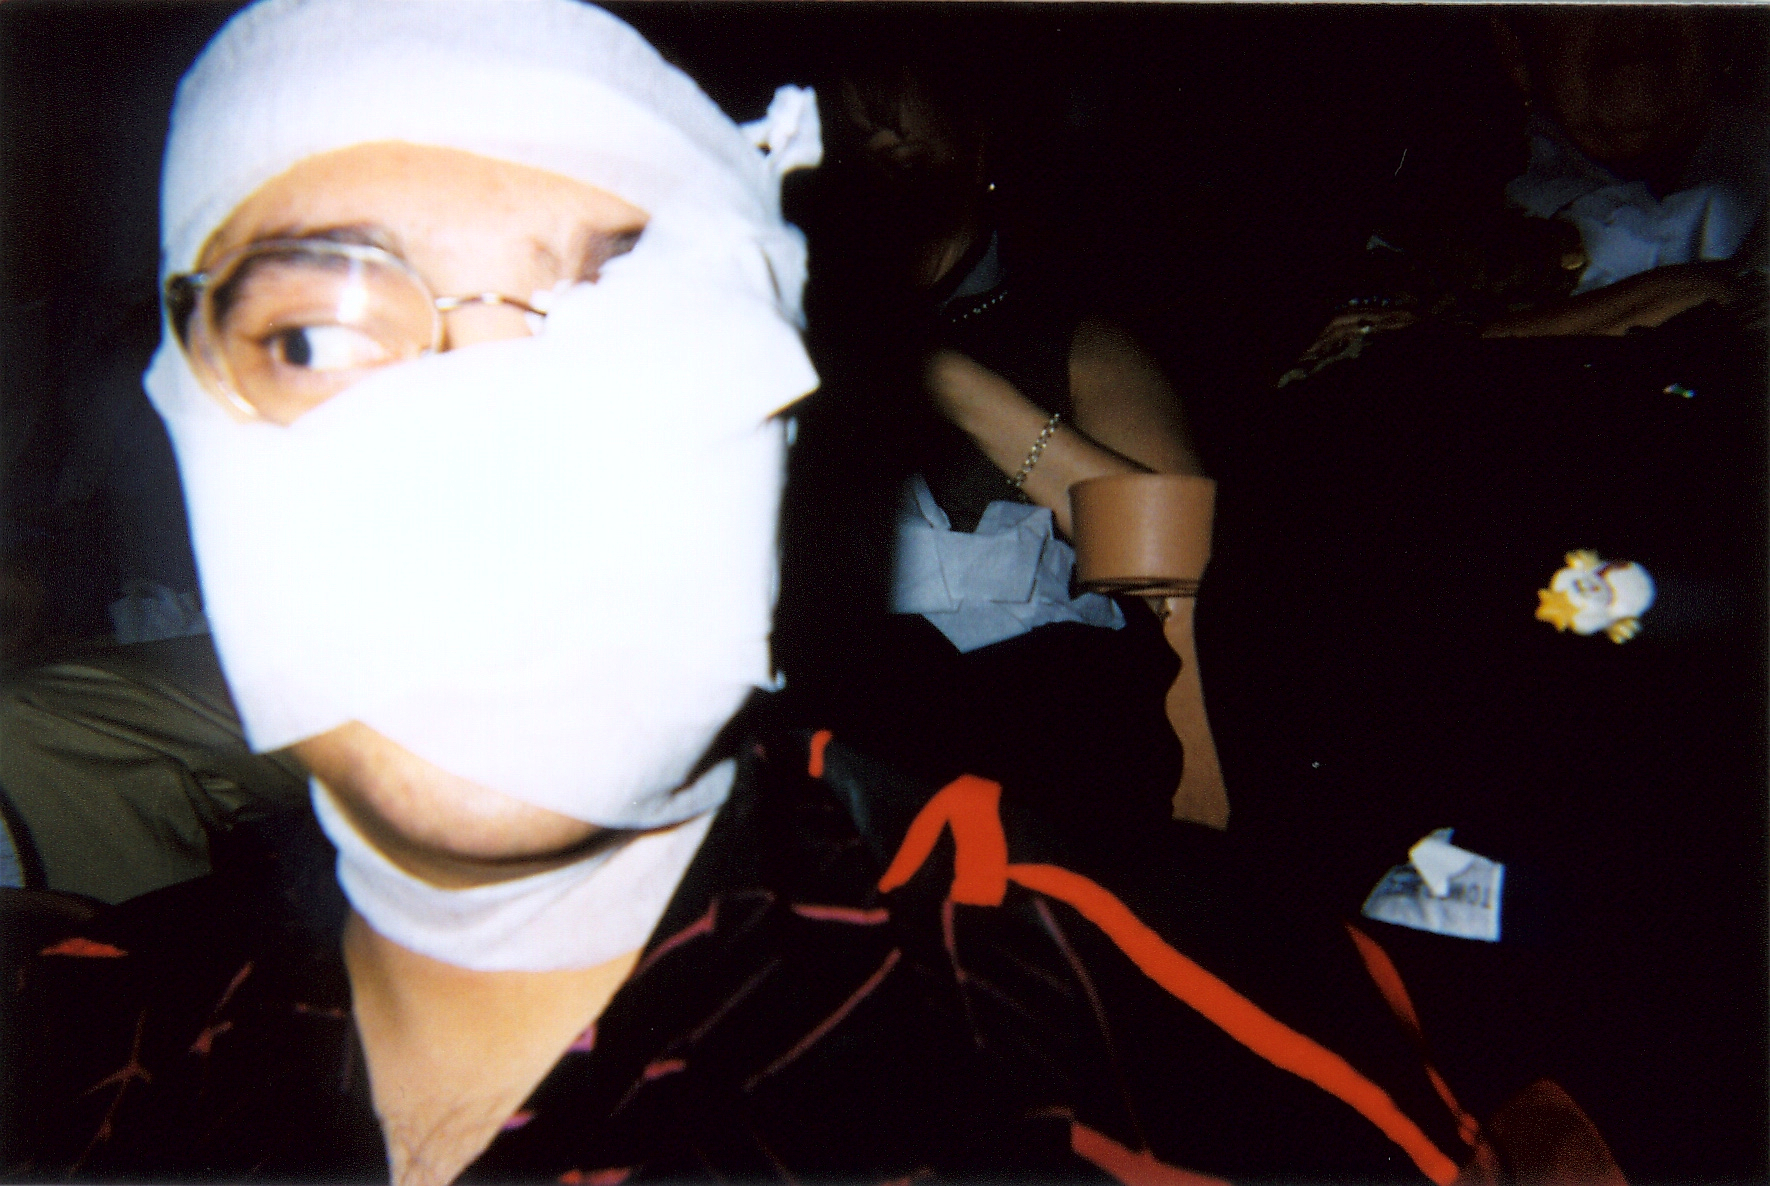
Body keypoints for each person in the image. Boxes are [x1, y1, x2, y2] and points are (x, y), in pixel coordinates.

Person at [2, 3, 1616, 1184]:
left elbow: (1163, 558)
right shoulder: (94, 1048)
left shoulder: (1049, 992)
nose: (481, 451)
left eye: (630, 321)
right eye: (315, 340)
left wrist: (923, 376)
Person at [777, 43, 1223, 843]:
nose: (880, 159)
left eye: (902, 142)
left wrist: (951, 383)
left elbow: (1180, 575)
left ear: (977, 145)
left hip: (1037, 795)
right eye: (851, 146)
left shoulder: (1076, 339)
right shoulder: (782, 351)